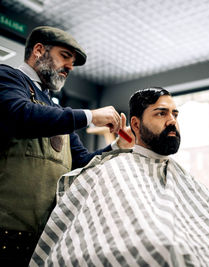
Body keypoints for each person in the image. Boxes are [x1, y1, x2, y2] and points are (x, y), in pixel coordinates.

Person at [30, 87, 209, 266]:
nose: (172, 121)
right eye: (161, 113)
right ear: (136, 124)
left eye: (175, 114)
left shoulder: (178, 175)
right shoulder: (115, 170)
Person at [0, 26, 134, 266]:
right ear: (39, 50)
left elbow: (82, 163)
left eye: (72, 62)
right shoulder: (7, 78)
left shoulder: (57, 111)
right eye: (65, 56)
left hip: (43, 242)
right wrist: (90, 116)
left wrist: (116, 147)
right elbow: (20, 115)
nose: (70, 67)